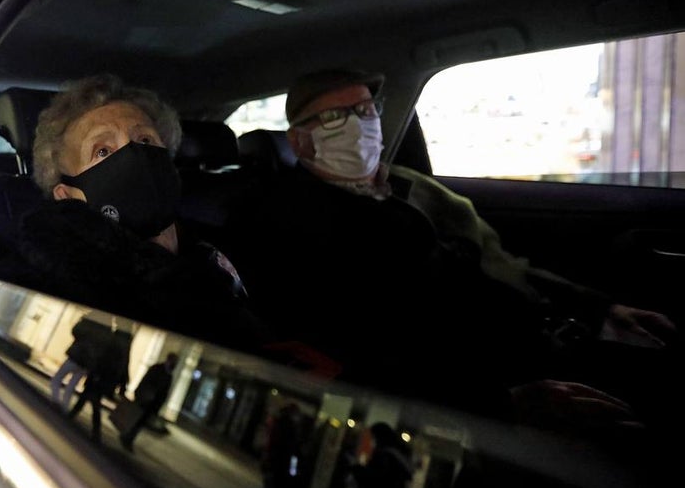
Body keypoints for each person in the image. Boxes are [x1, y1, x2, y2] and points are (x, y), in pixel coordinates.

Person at [225, 68, 677, 441]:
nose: (363, 122)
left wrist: (598, 311)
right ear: (301, 142)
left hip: (534, 341)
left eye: (367, 110)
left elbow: (500, 265)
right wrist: (497, 407)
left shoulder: (408, 185)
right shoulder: (285, 224)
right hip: (472, 398)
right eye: (339, 116)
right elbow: (344, 353)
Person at [0, 73, 270, 355]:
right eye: (102, 150)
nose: (134, 154)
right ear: (67, 195)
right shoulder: (46, 285)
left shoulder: (219, 246)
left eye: (145, 139)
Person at [66, 321, 133, 445]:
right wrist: (122, 385)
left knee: (93, 402)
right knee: (87, 398)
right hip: (105, 378)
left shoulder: (117, 341)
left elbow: (107, 359)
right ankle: (73, 417)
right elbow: (124, 366)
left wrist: (96, 371)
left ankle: (95, 431)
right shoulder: (125, 343)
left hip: (101, 376)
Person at [50, 309, 115, 411]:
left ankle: (56, 401)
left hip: (76, 356)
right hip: (88, 363)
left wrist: (83, 319)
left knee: (57, 379)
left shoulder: (89, 322)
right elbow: (105, 349)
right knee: (71, 386)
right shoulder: (108, 332)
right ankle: (64, 408)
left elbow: (75, 331)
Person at [116, 351, 178, 452]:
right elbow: (146, 382)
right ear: (168, 360)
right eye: (173, 362)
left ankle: (128, 438)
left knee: (140, 423)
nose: (174, 364)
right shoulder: (157, 369)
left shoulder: (168, 375)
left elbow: (164, 393)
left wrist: (158, 406)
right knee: (136, 420)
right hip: (145, 400)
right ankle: (126, 437)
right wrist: (140, 394)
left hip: (153, 404)